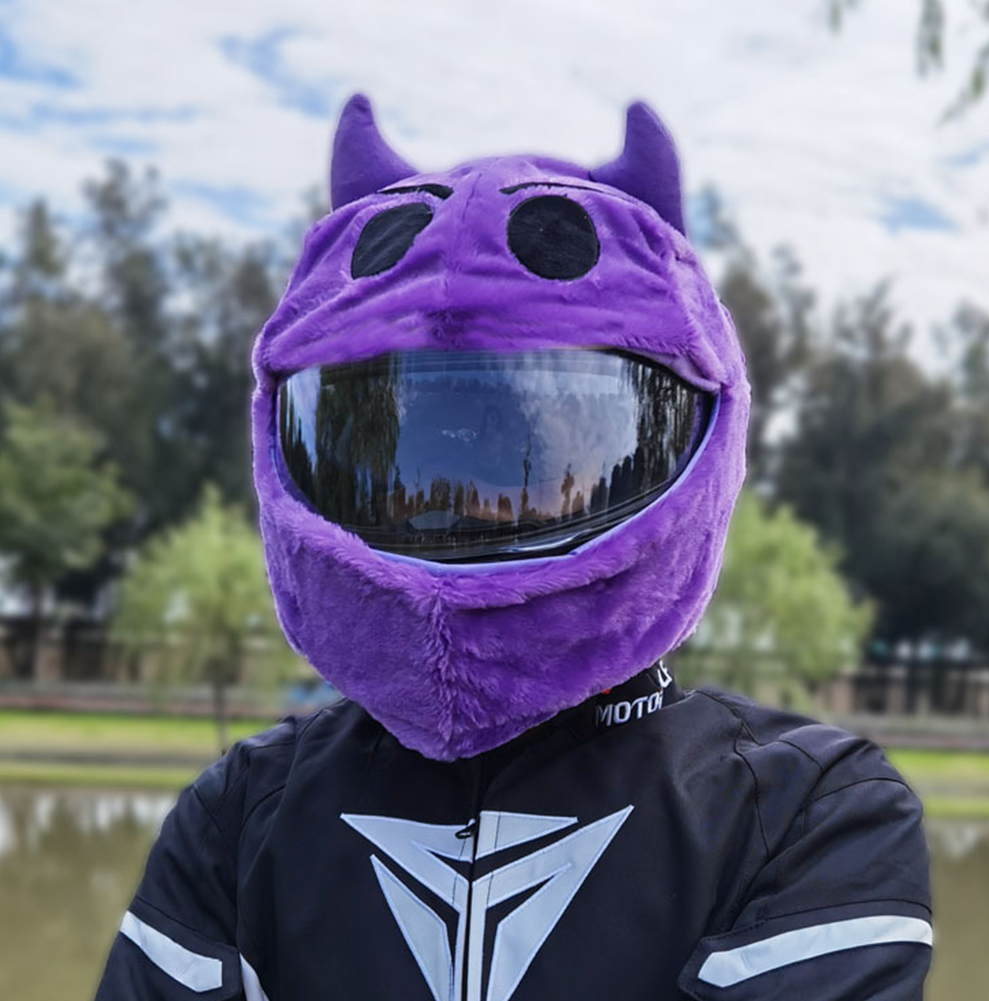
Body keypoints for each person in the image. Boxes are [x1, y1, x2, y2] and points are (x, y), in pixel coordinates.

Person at [95, 95, 932, 1001]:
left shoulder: (810, 808)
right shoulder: (239, 807)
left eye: (535, 460)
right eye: (410, 466)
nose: (468, 518)